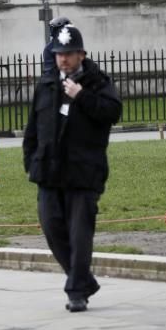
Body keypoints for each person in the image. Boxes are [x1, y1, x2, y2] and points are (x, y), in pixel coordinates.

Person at [23, 25, 122, 313]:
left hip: (83, 172)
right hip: (49, 171)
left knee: (80, 234)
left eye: (68, 53)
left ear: (81, 54)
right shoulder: (47, 84)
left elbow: (112, 112)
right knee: (52, 229)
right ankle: (83, 280)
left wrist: (82, 96)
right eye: (59, 54)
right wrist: (31, 159)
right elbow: (33, 129)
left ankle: (76, 291)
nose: (63, 59)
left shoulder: (97, 82)